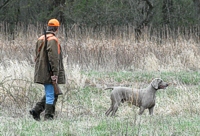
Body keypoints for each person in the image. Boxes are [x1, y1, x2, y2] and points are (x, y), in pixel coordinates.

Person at [29, 18, 66, 121]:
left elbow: (37, 55)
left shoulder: (41, 38)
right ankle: (48, 117)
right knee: (51, 94)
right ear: (57, 28)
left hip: (42, 70)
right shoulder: (53, 40)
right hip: (49, 71)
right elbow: (54, 58)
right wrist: (55, 73)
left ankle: (36, 110)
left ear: (48, 26)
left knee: (53, 92)